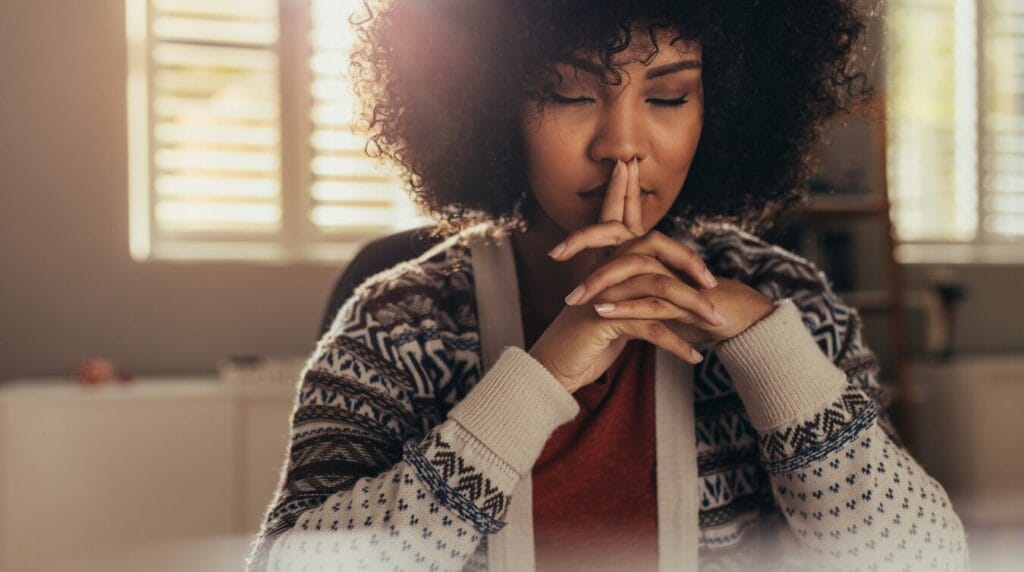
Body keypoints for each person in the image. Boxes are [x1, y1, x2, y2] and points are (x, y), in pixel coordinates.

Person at [246, 1, 968, 570]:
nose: (622, 143)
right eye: (568, 93)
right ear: (491, 102)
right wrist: (546, 372)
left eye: (670, 96)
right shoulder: (401, 323)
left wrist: (763, 347)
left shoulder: (787, 300)